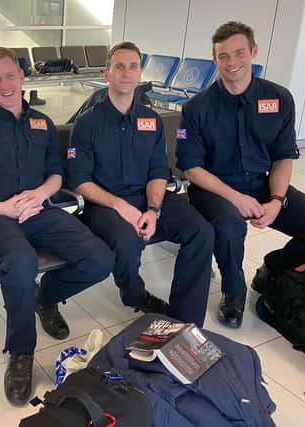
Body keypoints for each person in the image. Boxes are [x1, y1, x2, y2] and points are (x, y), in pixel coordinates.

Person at [0, 47, 114, 406]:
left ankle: (47, 296)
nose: (4, 84)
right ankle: (21, 353)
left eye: (10, 76)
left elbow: (56, 173)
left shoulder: (42, 122)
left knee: (100, 258)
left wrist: (39, 195)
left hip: (40, 209)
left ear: (22, 76)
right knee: (21, 261)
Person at [176, 21, 305, 328]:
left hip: (263, 184)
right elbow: (191, 168)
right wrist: (236, 198)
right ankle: (233, 295)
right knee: (229, 228)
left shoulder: (279, 99)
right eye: (223, 56)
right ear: (215, 60)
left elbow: (282, 157)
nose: (232, 62)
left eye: (239, 53)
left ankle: (272, 268)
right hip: (214, 189)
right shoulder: (197, 108)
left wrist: (277, 199)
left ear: (253, 52)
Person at [67, 42, 214, 327]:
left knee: (202, 231)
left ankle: (185, 321)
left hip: (148, 198)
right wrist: (121, 206)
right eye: (119, 66)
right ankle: (135, 296)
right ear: (106, 74)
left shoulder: (151, 120)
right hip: (103, 205)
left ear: (140, 73)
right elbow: (79, 179)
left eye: (133, 66)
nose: (127, 72)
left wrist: (154, 209)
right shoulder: (86, 124)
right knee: (126, 241)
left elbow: (159, 170)